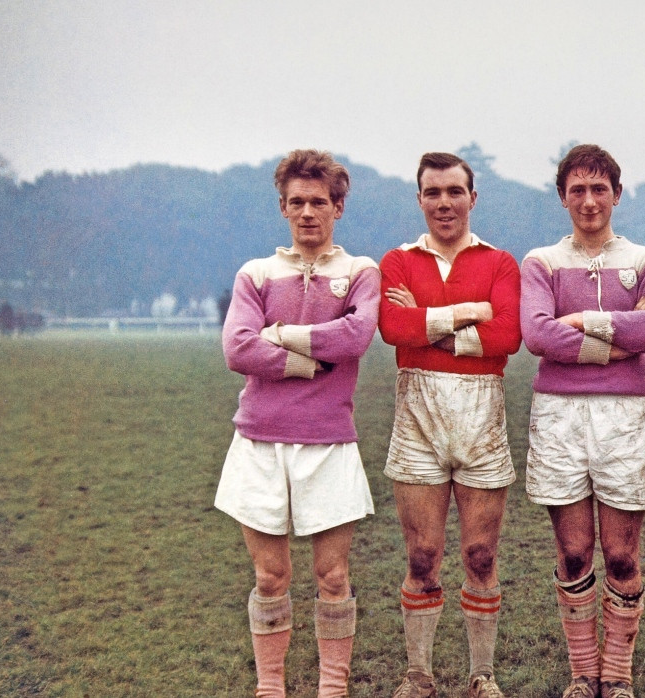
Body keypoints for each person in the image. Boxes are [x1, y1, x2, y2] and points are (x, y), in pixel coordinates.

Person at [216, 149, 380, 698]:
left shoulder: (360, 272)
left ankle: (332, 688)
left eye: (318, 202)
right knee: (270, 578)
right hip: (259, 443)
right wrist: (311, 361)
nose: (307, 212)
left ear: (338, 206)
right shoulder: (255, 273)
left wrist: (280, 335)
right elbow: (237, 348)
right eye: (296, 203)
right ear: (283, 208)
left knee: (332, 578)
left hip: (329, 442)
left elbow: (356, 337)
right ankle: (271, 688)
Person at [520, 144, 645, 698]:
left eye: (599, 189)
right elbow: (537, 334)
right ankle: (584, 674)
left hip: (625, 415)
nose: (589, 201)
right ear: (563, 197)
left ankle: (618, 673)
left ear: (616, 193)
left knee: (622, 554)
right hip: (559, 414)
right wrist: (612, 346)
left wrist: (583, 321)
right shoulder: (541, 261)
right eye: (577, 190)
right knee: (575, 553)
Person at [377, 153, 523, 698]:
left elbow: (508, 336)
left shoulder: (501, 262)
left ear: (472, 198)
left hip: (482, 419)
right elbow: (393, 327)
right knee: (423, 555)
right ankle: (419, 674)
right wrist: (471, 313)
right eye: (432, 192)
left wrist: (430, 323)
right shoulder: (396, 261)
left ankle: (481, 674)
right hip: (417, 417)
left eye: (454, 192)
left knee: (480, 555)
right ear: (419, 199)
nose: (444, 203)